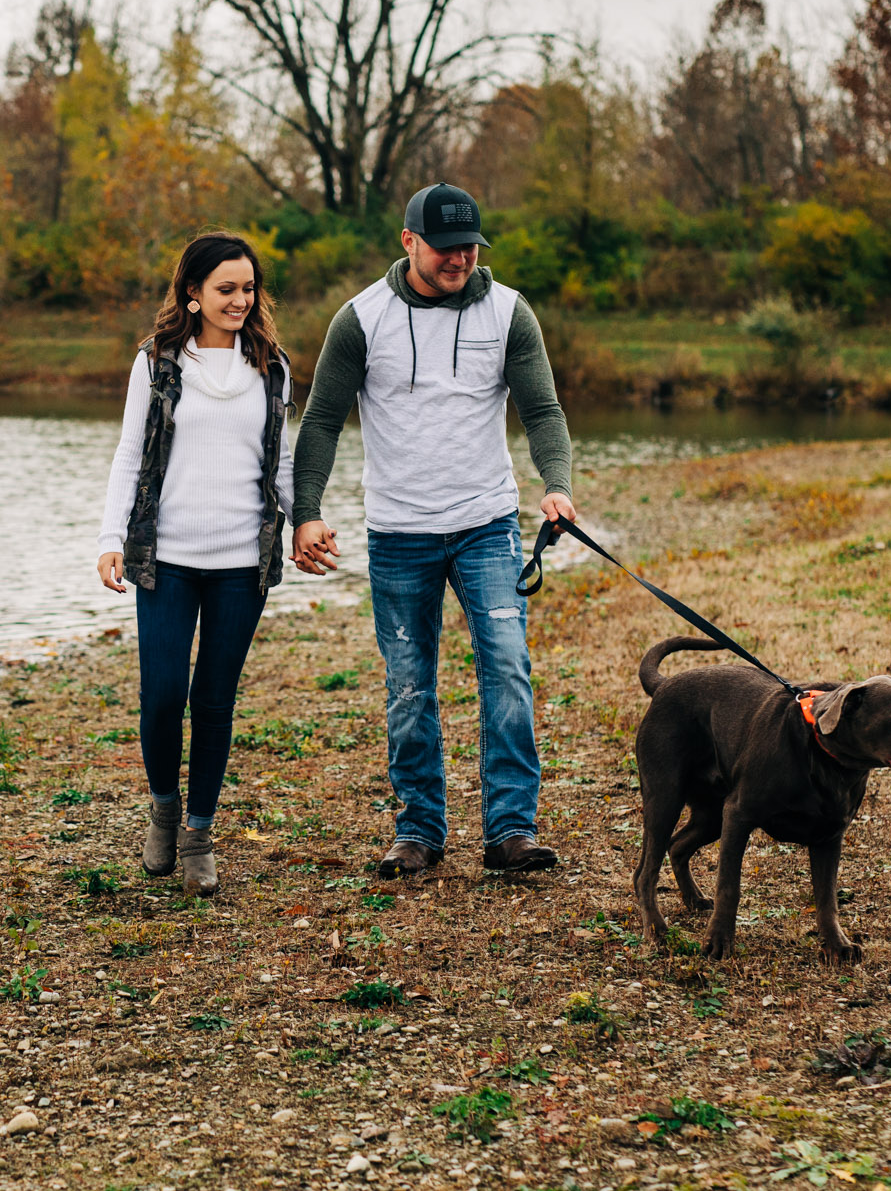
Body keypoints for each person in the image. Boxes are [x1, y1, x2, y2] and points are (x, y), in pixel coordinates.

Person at [289, 183, 578, 879]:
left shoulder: (510, 311)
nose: (461, 259)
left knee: (506, 667)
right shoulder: (361, 318)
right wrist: (306, 510)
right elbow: (322, 419)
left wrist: (557, 485)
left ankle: (510, 830)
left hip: (486, 526)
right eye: (447, 247)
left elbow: (542, 408)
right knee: (410, 684)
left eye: (471, 246)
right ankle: (419, 828)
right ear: (408, 240)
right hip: (398, 533)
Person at [96, 231, 294, 897]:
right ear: (193, 293)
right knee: (162, 697)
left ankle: (200, 834)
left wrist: (306, 524)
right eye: (226, 289)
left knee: (214, 699)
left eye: (248, 288)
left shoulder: (272, 365)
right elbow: (130, 453)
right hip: (168, 558)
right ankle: (162, 808)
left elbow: (281, 458)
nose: (241, 300)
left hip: (243, 560)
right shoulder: (156, 364)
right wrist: (109, 537)